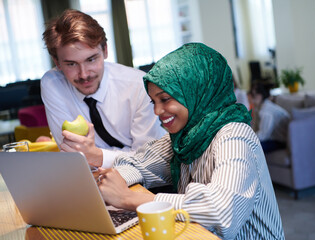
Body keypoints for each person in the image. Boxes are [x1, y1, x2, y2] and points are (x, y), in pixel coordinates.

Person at [95, 43, 285, 239]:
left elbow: (220, 214)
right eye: (154, 102)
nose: (157, 111)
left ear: (196, 91)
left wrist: (133, 198)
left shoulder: (235, 136)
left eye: (166, 99)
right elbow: (137, 162)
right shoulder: (184, 138)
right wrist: (112, 183)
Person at [41, 9, 166, 168]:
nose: (84, 74)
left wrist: (98, 156)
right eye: (71, 64)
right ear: (57, 62)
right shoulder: (53, 84)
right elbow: (74, 155)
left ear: (105, 50)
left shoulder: (138, 86)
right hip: (93, 179)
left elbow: (148, 161)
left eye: (91, 59)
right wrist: (99, 156)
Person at [248, 81, 290, 153]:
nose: (252, 98)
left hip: (282, 141)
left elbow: (263, 135)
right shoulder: (261, 108)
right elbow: (255, 127)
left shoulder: (266, 111)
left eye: (254, 95)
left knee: (251, 148)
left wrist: (247, 140)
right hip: (275, 138)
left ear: (261, 95)